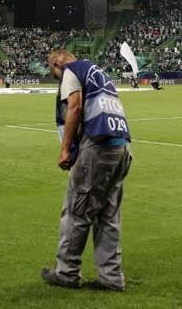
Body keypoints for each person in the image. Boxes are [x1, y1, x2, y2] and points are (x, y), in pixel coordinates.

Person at [41, 49, 132, 292]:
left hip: (97, 149)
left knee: (76, 211)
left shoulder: (72, 71)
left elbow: (75, 106)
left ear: (57, 62)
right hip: (121, 147)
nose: (58, 79)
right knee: (108, 215)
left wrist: (65, 148)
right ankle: (111, 277)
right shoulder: (98, 73)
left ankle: (67, 273)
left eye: (54, 73)